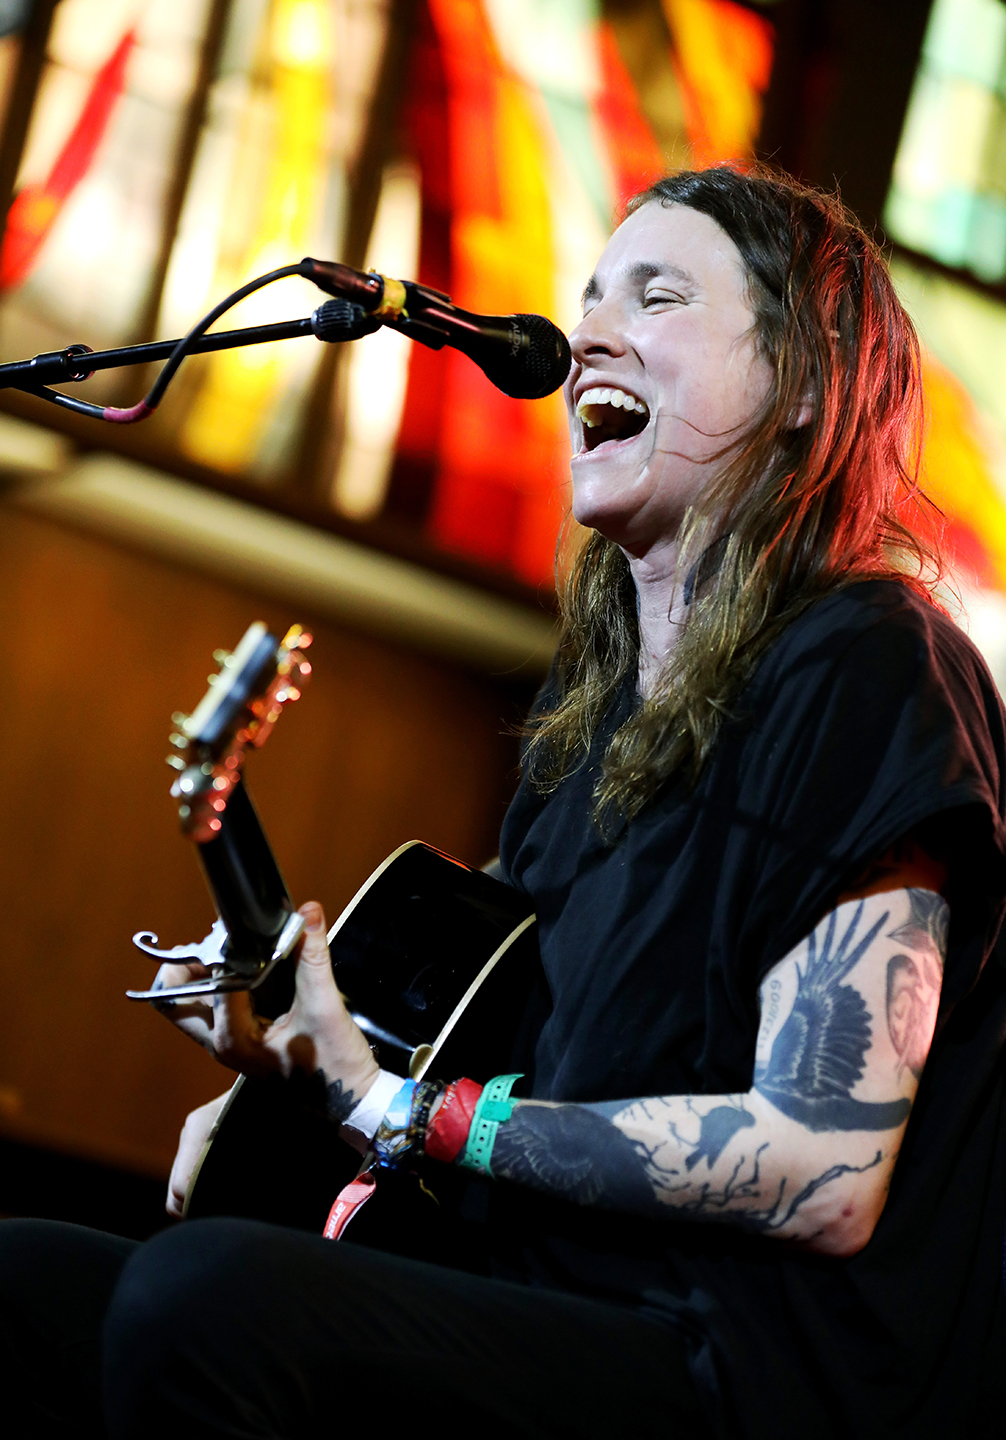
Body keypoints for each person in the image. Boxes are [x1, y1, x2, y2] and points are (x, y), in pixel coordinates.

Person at [3, 165, 1005, 1440]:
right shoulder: (586, 737)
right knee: (25, 1284)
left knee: (203, 1300)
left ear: (806, 381)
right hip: (542, 1308)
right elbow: (477, 1089)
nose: (590, 334)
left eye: (657, 298)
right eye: (591, 297)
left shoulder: (869, 663)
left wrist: (401, 1108)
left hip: (740, 1377)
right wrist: (304, 1075)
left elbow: (823, 1165)